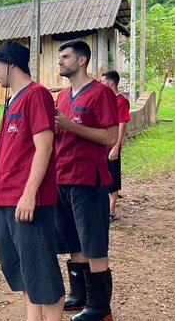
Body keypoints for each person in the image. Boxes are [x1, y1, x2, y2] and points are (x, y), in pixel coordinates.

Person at [0, 41, 65, 321]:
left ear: (11, 63)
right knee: (23, 270)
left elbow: (44, 147)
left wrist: (29, 194)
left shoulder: (37, 94)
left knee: (42, 271)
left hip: (28, 201)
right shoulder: (11, 100)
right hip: (6, 198)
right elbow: (8, 152)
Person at [54, 40, 118, 321]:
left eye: (65, 57)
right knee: (73, 240)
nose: (60, 61)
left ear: (82, 60)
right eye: (60, 57)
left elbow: (110, 137)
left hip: (87, 179)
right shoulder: (62, 97)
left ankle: (100, 307)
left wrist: (71, 125)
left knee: (93, 242)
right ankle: (79, 295)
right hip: (61, 176)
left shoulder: (100, 94)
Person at [100, 70, 131, 222]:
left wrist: (116, 146)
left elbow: (122, 124)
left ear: (111, 82)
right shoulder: (105, 100)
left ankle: (111, 210)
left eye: (103, 81)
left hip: (111, 146)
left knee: (113, 177)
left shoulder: (121, 101)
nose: (101, 83)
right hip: (101, 146)